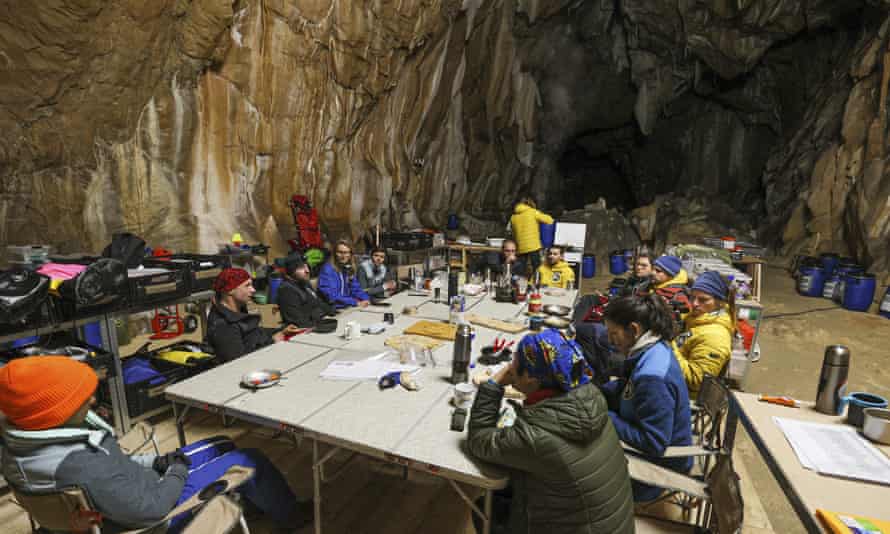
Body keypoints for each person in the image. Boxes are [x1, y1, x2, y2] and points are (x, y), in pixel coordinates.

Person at [0, 356, 312, 533]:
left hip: (130, 492)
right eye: (82, 398)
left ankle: (258, 502)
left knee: (221, 444)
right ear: (55, 412)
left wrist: (156, 462)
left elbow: (116, 466)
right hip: (155, 514)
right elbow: (150, 511)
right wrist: (175, 469)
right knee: (250, 458)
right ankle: (291, 518)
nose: (94, 399)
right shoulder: (84, 467)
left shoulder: (18, 448)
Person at [466, 329, 635, 534]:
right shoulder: (589, 394)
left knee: (487, 508)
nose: (510, 368)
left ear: (531, 379)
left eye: (514, 365)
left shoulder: (539, 436)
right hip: (612, 526)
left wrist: (494, 384)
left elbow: (479, 440)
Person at [600, 294, 693, 502]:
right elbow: (630, 388)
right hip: (645, 436)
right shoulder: (653, 348)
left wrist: (606, 417)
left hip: (659, 466)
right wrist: (600, 391)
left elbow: (654, 442)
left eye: (613, 333)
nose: (609, 339)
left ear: (634, 329)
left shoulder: (653, 378)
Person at [206, 268, 300, 362]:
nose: (253, 290)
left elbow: (254, 332)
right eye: (247, 286)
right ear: (230, 290)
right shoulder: (223, 326)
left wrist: (282, 330)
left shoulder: (237, 309)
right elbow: (239, 362)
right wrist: (272, 341)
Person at [672, 270, 735, 399]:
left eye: (703, 300)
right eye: (692, 297)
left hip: (683, 400)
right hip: (673, 387)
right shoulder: (696, 320)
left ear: (720, 303)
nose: (694, 304)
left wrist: (668, 345)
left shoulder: (715, 337)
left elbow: (697, 381)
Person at [277, 252, 336, 328]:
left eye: (307, 267)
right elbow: (299, 322)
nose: (307, 271)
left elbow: (318, 302)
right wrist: (320, 319)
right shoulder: (286, 290)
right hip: (302, 333)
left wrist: (333, 313)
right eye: (301, 268)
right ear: (291, 271)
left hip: (316, 324)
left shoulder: (304, 283)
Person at [317, 240, 370, 309]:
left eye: (346, 253)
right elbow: (331, 295)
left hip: (347, 306)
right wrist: (355, 302)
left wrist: (365, 299)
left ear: (350, 254)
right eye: (340, 252)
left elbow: (356, 288)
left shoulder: (347, 268)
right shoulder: (328, 270)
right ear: (334, 254)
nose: (343, 256)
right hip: (333, 308)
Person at [509, 197, 554, 273]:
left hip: (520, 247)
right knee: (537, 268)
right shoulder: (533, 212)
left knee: (520, 269)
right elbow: (549, 220)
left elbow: (511, 231)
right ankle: (536, 282)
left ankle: (520, 282)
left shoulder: (513, 217)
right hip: (533, 246)